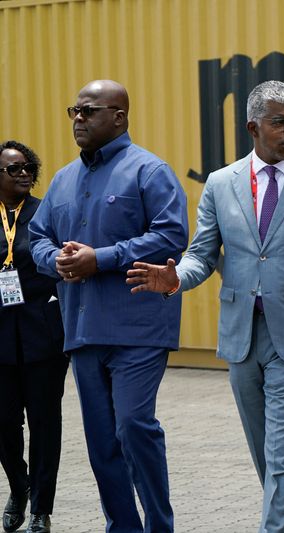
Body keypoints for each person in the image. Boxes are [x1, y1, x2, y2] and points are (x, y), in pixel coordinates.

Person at [126, 80, 284, 533]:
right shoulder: (221, 183)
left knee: (283, 456)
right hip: (241, 335)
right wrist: (175, 280)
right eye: (280, 122)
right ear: (253, 126)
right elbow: (202, 255)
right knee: (265, 454)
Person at [29, 80, 189, 533]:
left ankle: (160, 525)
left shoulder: (149, 171)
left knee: (134, 426)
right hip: (82, 330)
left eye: (89, 111)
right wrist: (56, 261)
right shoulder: (62, 179)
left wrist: (101, 258)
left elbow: (172, 234)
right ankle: (123, 527)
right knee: (102, 442)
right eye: (73, 112)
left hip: (137, 327)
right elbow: (37, 238)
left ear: (119, 116)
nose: (78, 119)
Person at [0, 141, 68, 533]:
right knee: (4, 423)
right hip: (0, 339)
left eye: (28, 167)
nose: (24, 173)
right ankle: (18, 486)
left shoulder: (45, 213)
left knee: (45, 422)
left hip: (43, 334)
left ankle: (42, 508)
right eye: (14, 169)